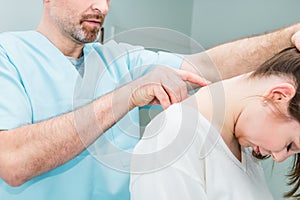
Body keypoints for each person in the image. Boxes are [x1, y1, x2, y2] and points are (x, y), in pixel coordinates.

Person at [0, 0, 300, 199]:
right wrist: (124, 97)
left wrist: (290, 35)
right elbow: (13, 163)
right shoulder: (7, 55)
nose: (102, 7)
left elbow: (207, 67)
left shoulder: (120, 60)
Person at [130, 47, 300, 199]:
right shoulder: (175, 134)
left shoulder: (245, 151)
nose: (279, 157)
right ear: (279, 96)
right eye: (289, 145)